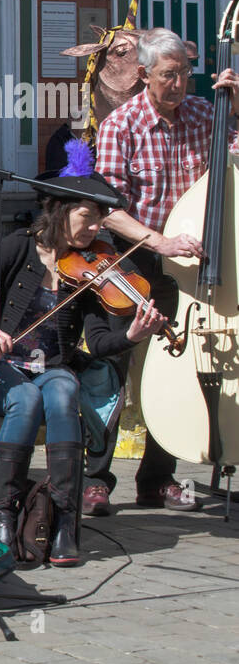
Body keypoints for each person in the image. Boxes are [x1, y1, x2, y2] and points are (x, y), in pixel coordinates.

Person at [0, 163, 166, 565]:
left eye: (99, 221)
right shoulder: (19, 245)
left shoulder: (87, 271)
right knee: (26, 399)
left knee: (65, 387)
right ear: (60, 211)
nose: (94, 229)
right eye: (87, 217)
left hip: (52, 367)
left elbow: (100, 340)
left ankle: (67, 523)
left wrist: (132, 336)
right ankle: (4, 515)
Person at [93, 27, 239, 514]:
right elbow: (108, 209)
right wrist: (161, 240)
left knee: (177, 366)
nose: (179, 84)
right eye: (168, 75)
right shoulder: (121, 125)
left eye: (185, 74)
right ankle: (96, 478)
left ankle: (159, 479)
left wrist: (235, 106)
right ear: (142, 75)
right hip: (137, 257)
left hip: (196, 262)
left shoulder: (206, 113)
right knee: (114, 368)